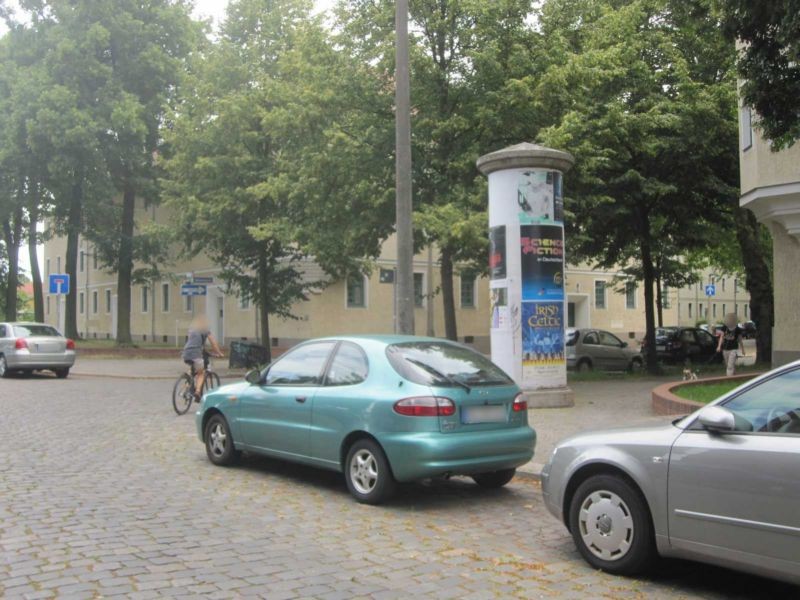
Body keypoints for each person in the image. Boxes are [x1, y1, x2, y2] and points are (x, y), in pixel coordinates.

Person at [181, 315, 223, 400]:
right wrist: (219, 353)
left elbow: (194, 343)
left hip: (185, 353)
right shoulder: (205, 330)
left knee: (192, 371)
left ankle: (185, 389)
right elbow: (213, 344)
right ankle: (197, 392)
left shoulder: (191, 330)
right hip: (196, 353)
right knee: (201, 373)